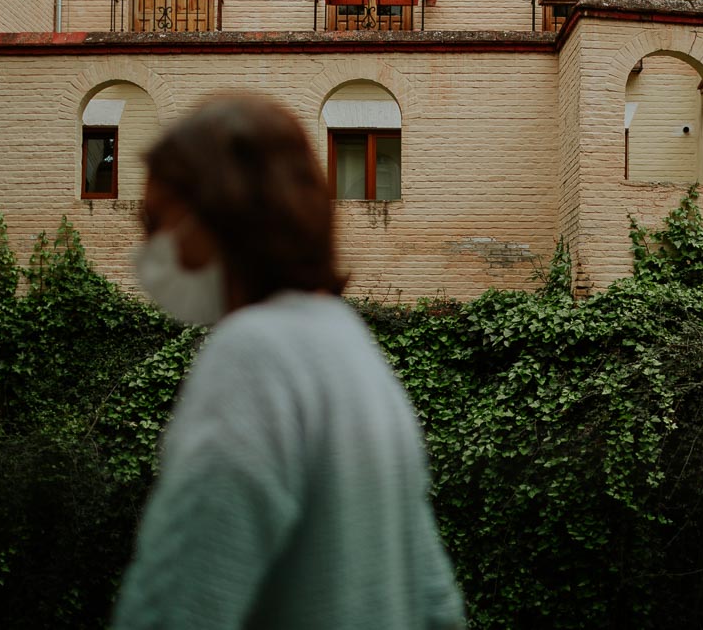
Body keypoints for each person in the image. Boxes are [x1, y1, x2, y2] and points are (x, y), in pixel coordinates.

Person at [112, 93, 464, 629]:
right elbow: (437, 604)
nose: (145, 247)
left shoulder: (253, 355)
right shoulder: (351, 344)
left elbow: (173, 608)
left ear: (220, 215)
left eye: (156, 221)